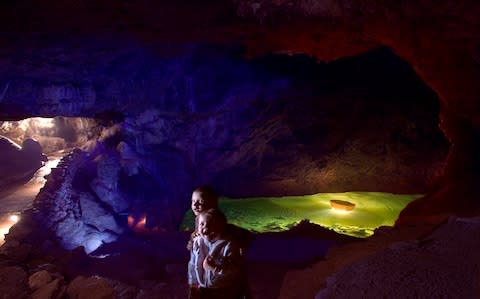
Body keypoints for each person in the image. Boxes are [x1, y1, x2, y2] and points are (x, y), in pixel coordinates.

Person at [187, 186, 254, 299]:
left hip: (222, 282)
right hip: (203, 282)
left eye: (201, 202)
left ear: (212, 203)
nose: (195, 205)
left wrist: (241, 248)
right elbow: (194, 259)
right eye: (193, 201)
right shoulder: (199, 223)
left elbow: (245, 236)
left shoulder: (223, 228)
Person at [188, 208, 243, 299]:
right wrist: (193, 283)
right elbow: (193, 264)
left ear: (221, 226)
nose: (205, 228)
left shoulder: (229, 244)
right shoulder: (197, 242)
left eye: (211, 225)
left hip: (222, 290)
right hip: (202, 289)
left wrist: (214, 268)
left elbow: (235, 270)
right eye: (202, 224)